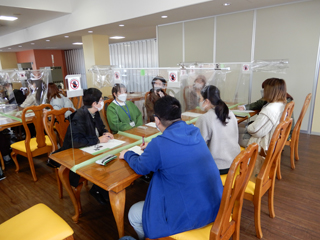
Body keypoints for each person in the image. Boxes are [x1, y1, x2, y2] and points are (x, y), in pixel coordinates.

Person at [119, 96, 223, 240]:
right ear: (180, 116)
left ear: (157, 120)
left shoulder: (159, 144)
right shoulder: (194, 132)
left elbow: (141, 167)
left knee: (133, 214)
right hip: (214, 205)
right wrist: (153, 149)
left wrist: (128, 154)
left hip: (191, 216)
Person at [49, 88, 114, 204]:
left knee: (109, 159)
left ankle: (101, 188)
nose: (102, 101)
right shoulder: (79, 116)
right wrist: (98, 140)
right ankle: (98, 189)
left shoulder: (95, 112)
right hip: (74, 153)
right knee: (101, 163)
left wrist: (105, 133)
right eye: (100, 100)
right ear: (94, 104)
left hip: (90, 148)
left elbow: (100, 128)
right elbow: (76, 141)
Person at [196, 85, 240, 175]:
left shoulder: (205, 118)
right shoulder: (230, 113)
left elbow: (199, 146)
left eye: (200, 99)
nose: (199, 102)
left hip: (218, 167)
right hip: (235, 161)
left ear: (207, 101)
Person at [239, 78, 287, 154]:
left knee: (232, 133)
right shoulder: (281, 104)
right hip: (272, 139)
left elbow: (255, 131)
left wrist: (248, 126)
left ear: (268, 92)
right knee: (238, 129)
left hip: (262, 142)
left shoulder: (269, 109)